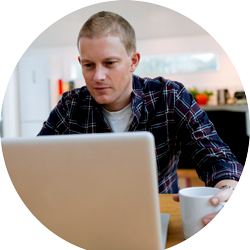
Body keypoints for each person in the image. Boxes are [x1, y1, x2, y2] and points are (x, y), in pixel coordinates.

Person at [38, 11, 243, 226]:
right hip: (89, 216)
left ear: (133, 61)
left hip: (158, 215)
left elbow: (217, 158)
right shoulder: (71, 105)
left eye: (109, 63)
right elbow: (37, 162)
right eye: (89, 65)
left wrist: (228, 190)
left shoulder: (170, 96)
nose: (97, 76)